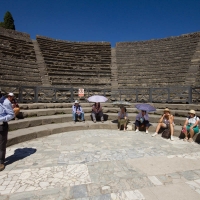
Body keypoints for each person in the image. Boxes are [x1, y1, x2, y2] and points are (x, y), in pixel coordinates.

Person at [0, 99, 15, 171]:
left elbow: (11, 114)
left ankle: (1, 162)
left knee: (1, 145)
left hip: (1, 125)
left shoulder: (6, 102)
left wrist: (1, 119)